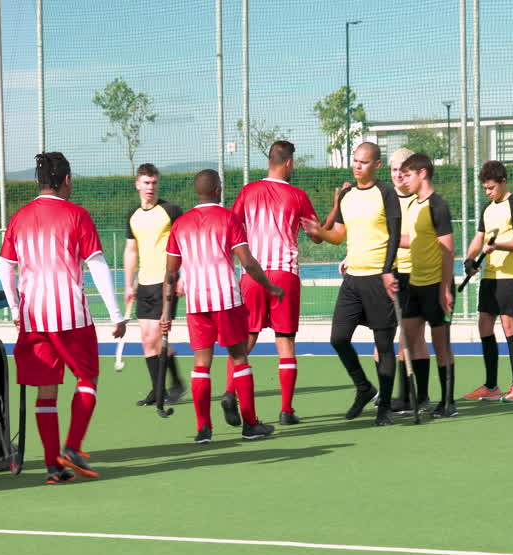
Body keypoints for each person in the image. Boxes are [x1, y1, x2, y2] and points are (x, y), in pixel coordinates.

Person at [0, 152, 127, 483]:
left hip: (33, 317)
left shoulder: (19, 217)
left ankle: (53, 466)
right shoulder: (76, 215)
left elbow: (5, 267)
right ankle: (71, 447)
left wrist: (15, 307)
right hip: (71, 316)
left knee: (46, 391)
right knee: (87, 379)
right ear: (66, 180)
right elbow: (97, 264)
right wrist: (116, 314)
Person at [162, 169, 282, 443]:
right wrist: (271, 286)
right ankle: (250, 425)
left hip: (196, 303)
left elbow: (170, 273)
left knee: (201, 365)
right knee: (239, 359)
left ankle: (203, 430)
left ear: (197, 191)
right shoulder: (229, 218)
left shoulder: (180, 224)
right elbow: (247, 261)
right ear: (217, 189)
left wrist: (165, 313)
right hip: (226, 300)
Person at [301, 141, 402, 426]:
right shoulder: (347, 195)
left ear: (376, 165)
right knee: (338, 338)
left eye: (364, 162)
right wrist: (319, 231)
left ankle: (384, 408)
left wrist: (387, 271)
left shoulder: (386, 193)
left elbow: (395, 236)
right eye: (355, 161)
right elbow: (337, 236)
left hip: (380, 279)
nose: (358, 166)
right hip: (353, 280)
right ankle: (364, 388)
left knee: (384, 346)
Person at [219, 140, 316, 427]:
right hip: (284, 274)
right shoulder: (298, 195)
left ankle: (229, 392)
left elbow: (232, 228)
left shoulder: (248, 191)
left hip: (253, 274)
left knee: (245, 339)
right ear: (288, 162)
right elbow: (315, 234)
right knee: (285, 341)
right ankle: (286, 411)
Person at [463, 160, 513, 403]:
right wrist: (469, 259)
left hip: (508, 275)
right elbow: (478, 238)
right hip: (489, 276)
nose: (488, 192)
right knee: (484, 325)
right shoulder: (487, 208)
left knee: (508, 325)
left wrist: (498, 245)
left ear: (503, 182)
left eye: (491, 187)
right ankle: (491, 386)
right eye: (485, 188)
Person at [398, 152, 458, 418]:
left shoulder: (438, 206)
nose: (403, 179)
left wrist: (445, 289)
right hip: (415, 284)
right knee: (407, 338)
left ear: (422, 173)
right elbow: (413, 239)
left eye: (408, 175)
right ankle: (418, 398)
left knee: (440, 344)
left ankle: (448, 403)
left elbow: (448, 249)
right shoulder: (413, 205)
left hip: (436, 286)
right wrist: (382, 238)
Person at [122, 163, 185, 406]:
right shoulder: (133, 215)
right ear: (137, 184)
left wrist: (184, 276)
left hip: (165, 282)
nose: (150, 187)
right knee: (147, 340)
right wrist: (129, 284)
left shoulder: (171, 211)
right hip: (144, 284)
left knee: (157, 336)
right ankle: (159, 389)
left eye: (154, 183)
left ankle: (171, 385)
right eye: (146, 183)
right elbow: (131, 250)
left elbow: (185, 243)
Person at [387, 147, 429, 414]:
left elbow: (419, 238)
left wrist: (388, 241)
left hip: (416, 273)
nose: (399, 175)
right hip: (391, 274)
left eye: (404, 170)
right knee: (392, 339)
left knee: (414, 338)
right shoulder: (385, 198)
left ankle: (419, 396)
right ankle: (401, 395)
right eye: (394, 170)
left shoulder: (419, 200)